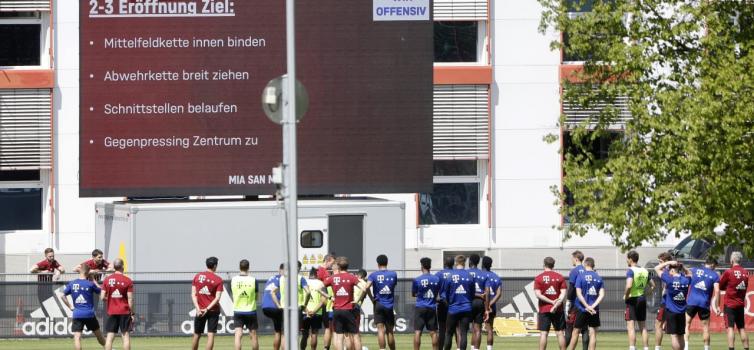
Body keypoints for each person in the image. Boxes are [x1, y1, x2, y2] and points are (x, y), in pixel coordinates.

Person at [61, 263, 106, 350]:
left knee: (77, 337)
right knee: (99, 335)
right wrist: (93, 279)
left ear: (80, 271)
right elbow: (101, 291)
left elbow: (62, 295)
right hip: (89, 314)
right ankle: (108, 348)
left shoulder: (72, 283)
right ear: (88, 273)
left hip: (77, 313)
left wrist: (70, 306)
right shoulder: (90, 284)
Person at [324, 257, 362, 350]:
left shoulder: (333, 278)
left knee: (339, 336)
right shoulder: (352, 277)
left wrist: (330, 297)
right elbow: (364, 288)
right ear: (347, 267)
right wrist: (357, 300)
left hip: (337, 310)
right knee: (355, 335)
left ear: (339, 267)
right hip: (349, 310)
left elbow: (319, 288)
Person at [568, 257, 604, 350]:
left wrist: (587, 306)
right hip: (594, 310)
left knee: (576, 331)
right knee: (593, 334)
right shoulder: (598, 277)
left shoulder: (581, 276)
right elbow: (602, 295)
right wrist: (592, 306)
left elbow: (578, 294)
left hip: (581, 308)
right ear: (593, 265)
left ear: (585, 264)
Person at [684, 256, 720, 350]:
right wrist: (717, 306)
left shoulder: (695, 270)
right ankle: (706, 348)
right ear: (712, 264)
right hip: (704, 304)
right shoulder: (715, 275)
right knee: (706, 328)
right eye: (715, 266)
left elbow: (685, 275)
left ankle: (686, 347)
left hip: (691, 302)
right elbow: (717, 291)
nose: (715, 268)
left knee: (687, 325)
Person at [654, 260, 691, 350]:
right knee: (681, 335)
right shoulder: (685, 280)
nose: (669, 272)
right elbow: (689, 273)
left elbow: (656, 268)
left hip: (671, 311)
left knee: (674, 335)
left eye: (670, 270)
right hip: (682, 312)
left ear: (673, 271)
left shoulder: (669, 279)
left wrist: (668, 262)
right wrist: (683, 267)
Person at [366, 254, 398, 350]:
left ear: (377, 264)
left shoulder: (373, 275)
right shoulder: (393, 274)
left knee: (380, 330)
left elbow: (366, 287)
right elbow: (393, 285)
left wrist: (372, 298)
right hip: (389, 305)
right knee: (390, 331)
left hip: (378, 304)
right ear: (387, 263)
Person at [191, 256, 224, 350]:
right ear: (214, 266)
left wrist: (198, 308)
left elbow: (193, 294)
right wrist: (207, 309)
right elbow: (217, 298)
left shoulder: (197, 276)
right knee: (210, 335)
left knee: (196, 334)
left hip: (200, 310)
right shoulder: (218, 279)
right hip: (213, 310)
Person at [719, 251, 750, 350]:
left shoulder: (729, 272)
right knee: (742, 328)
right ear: (740, 261)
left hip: (730, 305)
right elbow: (743, 287)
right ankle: (746, 348)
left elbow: (720, 286)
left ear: (732, 260)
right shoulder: (746, 272)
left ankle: (731, 348)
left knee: (730, 328)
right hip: (740, 304)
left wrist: (728, 287)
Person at [534, 257, 567, 350]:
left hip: (544, 309)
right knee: (560, 332)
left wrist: (551, 302)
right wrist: (555, 304)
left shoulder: (538, 278)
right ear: (553, 265)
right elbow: (563, 294)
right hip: (558, 309)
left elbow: (538, 295)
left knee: (544, 333)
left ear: (544, 265)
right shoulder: (559, 277)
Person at [443, 255, 475, 350]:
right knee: (464, 333)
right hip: (466, 308)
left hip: (453, 308)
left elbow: (445, 294)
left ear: (456, 263)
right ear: (464, 263)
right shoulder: (469, 276)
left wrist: (450, 303)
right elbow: (472, 294)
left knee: (448, 333)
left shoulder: (450, 276)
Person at [101, 258, 133, 350]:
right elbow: (130, 299)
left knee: (110, 336)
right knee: (125, 335)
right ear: (123, 266)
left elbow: (102, 297)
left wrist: (110, 298)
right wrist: (132, 312)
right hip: (124, 311)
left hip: (112, 311)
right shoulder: (128, 280)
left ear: (114, 267)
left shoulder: (107, 280)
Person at [413, 257, 441, 350]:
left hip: (420, 307)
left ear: (422, 266)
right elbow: (437, 294)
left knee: (418, 332)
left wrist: (421, 294)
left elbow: (414, 294)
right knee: (433, 332)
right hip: (432, 308)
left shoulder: (417, 280)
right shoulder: (436, 279)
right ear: (430, 266)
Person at [624, 250, 650, 350]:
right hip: (642, 298)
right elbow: (653, 285)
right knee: (643, 326)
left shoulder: (630, 270)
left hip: (632, 300)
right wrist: (644, 294)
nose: (626, 260)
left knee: (631, 326)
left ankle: (632, 348)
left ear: (630, 259)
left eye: (627, 258)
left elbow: (629, 285)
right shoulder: (644, 270)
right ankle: (646, 348)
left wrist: (626, 295)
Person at [231, 259, 259, 350]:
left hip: (238, 310)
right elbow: (256, 297)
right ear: (248, 267)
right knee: (253, 335)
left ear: (239, 267)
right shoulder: (253, 280)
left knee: (238, 335)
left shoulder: (234, 280)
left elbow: (233, 293)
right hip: (250, 311)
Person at [565, 250, 589, 350]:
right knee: (585, 329)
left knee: (570, 328)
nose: (572, 260)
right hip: (587, 303)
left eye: (572, 258)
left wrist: (568, 302)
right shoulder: (587, 270)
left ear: (576, 259)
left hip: (576, 304)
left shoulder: (574, 271)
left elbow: (571, 288)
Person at [467, 254, 489, 350]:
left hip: (468, 302)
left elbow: (465, 291)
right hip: (480, 303)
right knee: (477, 329)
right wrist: (487, 308)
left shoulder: (466, 273)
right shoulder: (484, 274)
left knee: (462, 329)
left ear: (470, 262)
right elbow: (487, 292)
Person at [262, 264, 285, 350]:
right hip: (275, 306)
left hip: (265, 307)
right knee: (285, 333)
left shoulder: (271, 278)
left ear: (279, 269)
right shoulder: (284, 279)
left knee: (277, 331)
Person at [654, 251, 673, 350]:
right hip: (675, 303)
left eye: (660, 261)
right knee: (672, 327)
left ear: (666, 262)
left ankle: (657, 348)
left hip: (666, 302)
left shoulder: (666, 271)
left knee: (658, 325)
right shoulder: (674, 271)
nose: (659, 264)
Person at [435, 256, 455, 350]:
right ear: (453, 264)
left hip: (442, 303)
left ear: (444, 263)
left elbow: (434, 289)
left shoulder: (439, 274)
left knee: (442, 329)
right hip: (454, 303)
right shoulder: (456, 273)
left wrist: (436, 299)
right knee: (455, 330)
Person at [303, 268, 326, 350]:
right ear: (316, 275)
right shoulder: (321, 283)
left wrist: (306, 310)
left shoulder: (304, 282)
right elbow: (323, 300)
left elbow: (299, 298)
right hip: (317, 312)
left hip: (305, 312)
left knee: (304, 334)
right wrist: (314, 311)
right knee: (314, 333)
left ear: (309, 274)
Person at [481, 256, 501, 350]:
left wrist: (486, 304)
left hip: (479, 304)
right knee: (489, 330)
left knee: (476, 328)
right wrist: (490, 304)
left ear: (482, 264)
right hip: (491, 307)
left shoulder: (478, 275)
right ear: (491, 265)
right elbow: (499, 293)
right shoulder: (496, 277)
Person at [353, 269, 369, 348]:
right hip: (356, 307)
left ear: (358, 275)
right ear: (364, 276)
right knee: (356, 331)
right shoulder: (365, 284)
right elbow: (362, 298)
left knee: (347, 331)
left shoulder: (352, 280)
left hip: (347, 306)